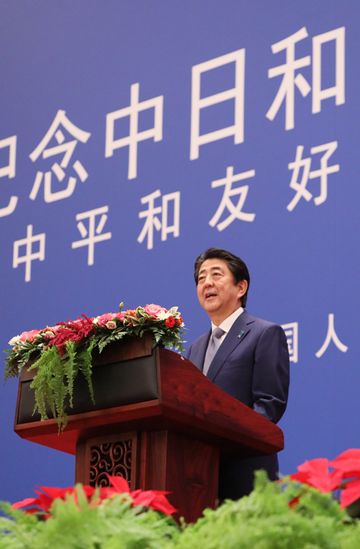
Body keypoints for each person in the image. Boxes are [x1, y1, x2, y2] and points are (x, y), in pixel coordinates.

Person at [187, 248, 290, 500]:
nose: (207, 283)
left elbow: (269, 407)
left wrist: (222, 441)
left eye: (216, 274)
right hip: (200, 478)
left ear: (241, 287)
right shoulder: (194, 348)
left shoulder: (264, 333)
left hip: (247, 476)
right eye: (201, 278)